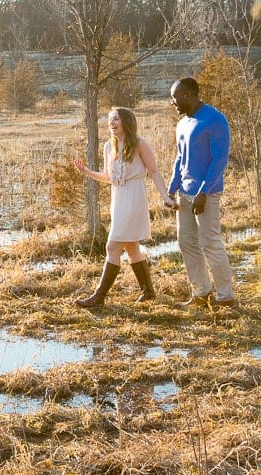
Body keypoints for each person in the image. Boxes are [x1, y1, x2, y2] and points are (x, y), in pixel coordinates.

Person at [72, 106, 168, 306]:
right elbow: (109, 178)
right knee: (132, 247)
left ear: (126, 122)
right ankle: (148, 292)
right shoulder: (109, 146)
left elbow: (154, 172)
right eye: (110, 120)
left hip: (134, 197)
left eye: (116, 119)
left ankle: (99, 297)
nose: (112, 123)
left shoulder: (139, 143)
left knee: (112, 245)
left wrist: (165, 197)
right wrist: (87, 172)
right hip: (118, 198)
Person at [166, 77, 237, 308]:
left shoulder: (215, 120)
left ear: (187, 94)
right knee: (186, 242)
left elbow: (220, 159)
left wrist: (204, 192)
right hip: (184, 194)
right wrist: (172, 185)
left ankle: (226, 298)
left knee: (211, 243)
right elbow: (180, 157)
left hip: (206, 194)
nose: (172, 102)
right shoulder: (183, 123)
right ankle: (201, 293)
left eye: (175, 98)